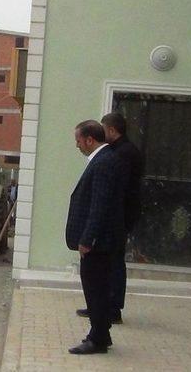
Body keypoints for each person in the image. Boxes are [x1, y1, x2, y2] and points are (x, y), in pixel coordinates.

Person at [75, 113, 144, 324]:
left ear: (112, 130)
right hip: (117, 217)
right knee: (106, 266)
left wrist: (89, 235)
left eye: (104, 130)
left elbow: (108, 195)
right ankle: (100, 308)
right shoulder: (118, 152)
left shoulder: (121, 154)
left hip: (118, 219)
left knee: (113, 264)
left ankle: (112, 308)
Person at [66, 120, 125, 355]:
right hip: (102, 241)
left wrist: (87, 239)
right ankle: (101, 333)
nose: (77, 145)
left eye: (78, 141)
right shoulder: (105, 160)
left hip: (98, 244)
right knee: (97, 288)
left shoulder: (103, 163)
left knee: (96, 289)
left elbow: (99, 205)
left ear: (90, 139)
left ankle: (98, 338)